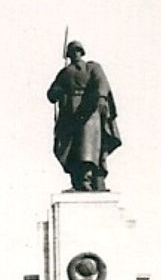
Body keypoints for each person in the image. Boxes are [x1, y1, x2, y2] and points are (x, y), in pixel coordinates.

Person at [46, 41, 121, 192]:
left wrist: (101, 98)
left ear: (81, 52)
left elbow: (101, 83)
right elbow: (51, 94)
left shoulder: (92, 67)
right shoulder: (65, 73)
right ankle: (78, 182)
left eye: (77, 51)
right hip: (69, 114)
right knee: (71, 148)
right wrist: (57, 91)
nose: (75, 54)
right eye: (72, 52)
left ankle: (89, 181)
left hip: (89, 110)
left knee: (88, 147)